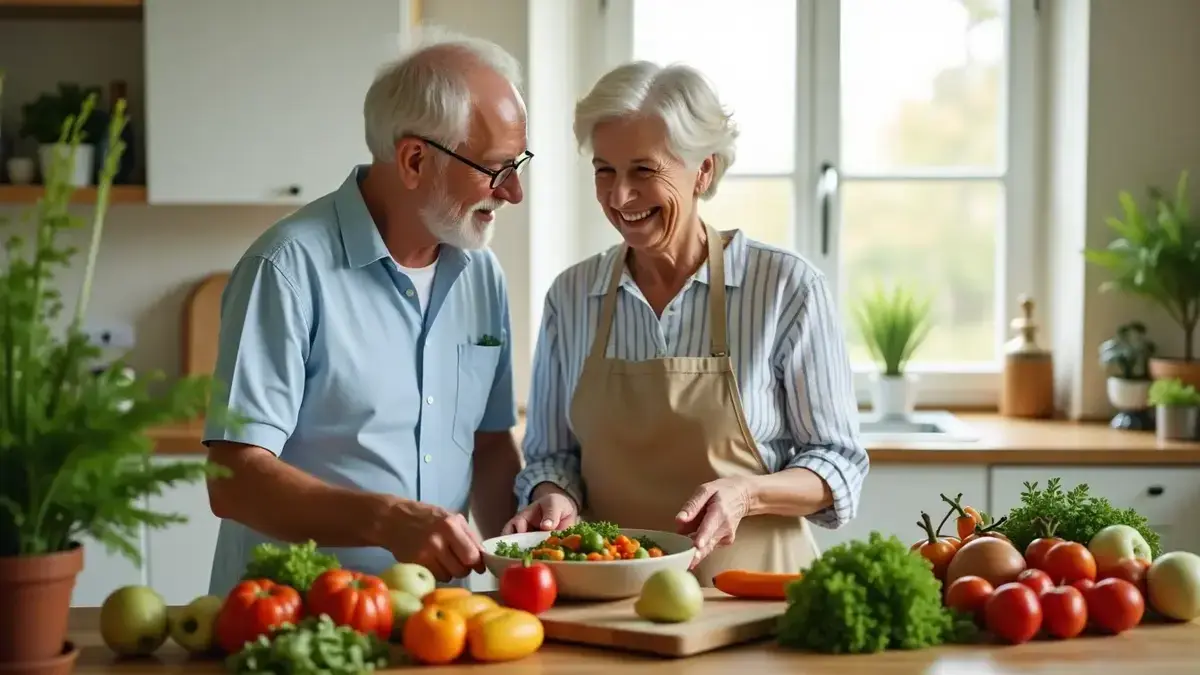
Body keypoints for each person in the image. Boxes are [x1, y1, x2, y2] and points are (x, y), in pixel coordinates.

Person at [503, 61, 869, 580]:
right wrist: (553, 495)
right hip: (613, 598)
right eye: (604, 170)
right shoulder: (572, 295)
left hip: (754, 595)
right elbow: (551, 455)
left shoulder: (785, 288)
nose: (619, 196)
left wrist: (748, 493)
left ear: (705, 171)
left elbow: (838, 463)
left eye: (643, 171)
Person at [202, 29, 530, 596]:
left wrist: (522, 553)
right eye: (496, 169)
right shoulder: (286, 269)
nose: (514, 192)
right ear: (414, 160)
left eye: (519, 163)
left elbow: (490, 444)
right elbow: (233, 480)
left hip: (440, 624)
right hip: (294, 622)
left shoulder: (482, 274)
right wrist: (385, 520)